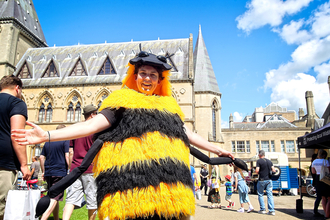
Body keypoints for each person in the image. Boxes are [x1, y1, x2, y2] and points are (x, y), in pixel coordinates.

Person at [12, 51, 234, 220]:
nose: (147, 79)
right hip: (131, 191)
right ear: (135, 76)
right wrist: (47, 135)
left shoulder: (168, 105)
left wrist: (217, 149)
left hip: (170, 189)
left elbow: (186, 133)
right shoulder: (122, 101)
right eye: (143, 74)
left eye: (153, 75)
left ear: (160, 80)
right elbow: (93, 125)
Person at [0, 75, 31, 219]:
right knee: (3, 209)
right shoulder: (16, 103)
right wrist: (24, 165)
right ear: (17, 88)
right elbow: (16, 135)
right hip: (4, 165)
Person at [62, 105, 98, 220]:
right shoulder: (95, 130)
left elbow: (71, 151)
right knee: (92, 200)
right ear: (92, 114)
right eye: (96, 113)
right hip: (90, 169)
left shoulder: (76, 128)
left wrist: (71, 168)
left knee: (71, 199)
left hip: (75, 169)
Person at [39, 124, 69, 220]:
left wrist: (43, 171)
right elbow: (67, 156)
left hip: (48, 172)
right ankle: (43, 218)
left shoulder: (48, 142)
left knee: (53, 196)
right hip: (59, 172)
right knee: (55, 197)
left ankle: (56, 218)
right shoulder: (65, 140)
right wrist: (69, 170)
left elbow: (41, 157)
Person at [255, 150, 275, 215]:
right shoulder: (269, 161)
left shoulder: (259, 161)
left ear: (259, 155)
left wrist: (258, 172)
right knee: (270, 195)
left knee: (260, 194)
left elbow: (257, 170)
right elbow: (274, 170)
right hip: (269, 180)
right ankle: (271, 210)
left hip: (262, 179)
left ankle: (262, 209)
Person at [312, 149, 330, 219]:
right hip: (325, 178)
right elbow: (329, 170)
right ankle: (327, 215)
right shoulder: (325, 161)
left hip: (318, 178)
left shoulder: (314, 161)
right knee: (329, 197)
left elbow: (313, 172)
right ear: (324, 155)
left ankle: (326, 213)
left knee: (323, 198)